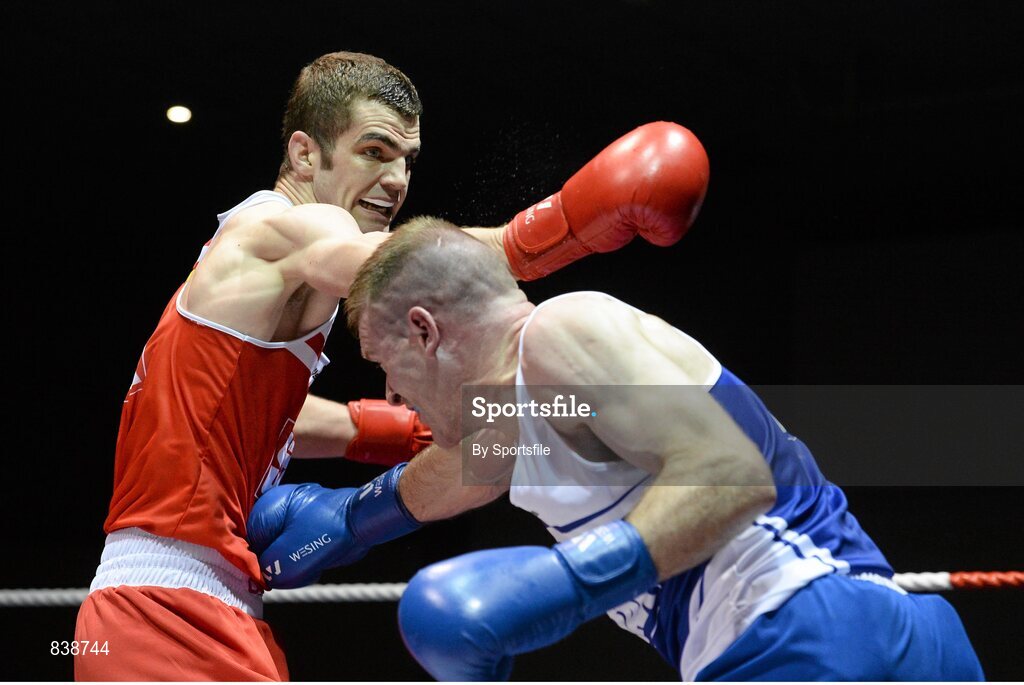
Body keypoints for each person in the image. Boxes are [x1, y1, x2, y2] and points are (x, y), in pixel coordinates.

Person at [74, 45, 710, 680]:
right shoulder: (284, 228)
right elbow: (429, 273)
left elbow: (238, 413)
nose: (397, 180)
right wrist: (568, 222)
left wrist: (397, 433)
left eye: (407, 160)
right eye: (374, 152)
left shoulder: (271, 276)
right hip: (169, 604)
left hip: (165, 605)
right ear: (303, 153)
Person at [249, 221, 985, 681]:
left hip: (792, 626)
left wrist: (569, 584)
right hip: (868, 625)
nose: (393, 390)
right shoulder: (535, 400)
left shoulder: (564, 331)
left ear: (424, 330)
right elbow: (466, 471)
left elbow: (729, 474)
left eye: (385, 361)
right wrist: (349, 519)